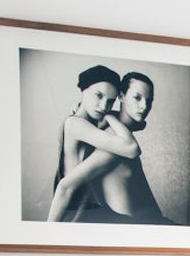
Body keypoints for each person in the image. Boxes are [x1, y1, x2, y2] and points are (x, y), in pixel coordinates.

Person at [47, 68, 167, 224]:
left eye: (110, 101)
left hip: (90, 209)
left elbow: (141, 124)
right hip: (78, 209)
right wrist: (48, 229)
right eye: (99, 95)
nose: (103, 106)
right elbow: (131, 148)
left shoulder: (90, 123)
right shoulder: (76, 123)